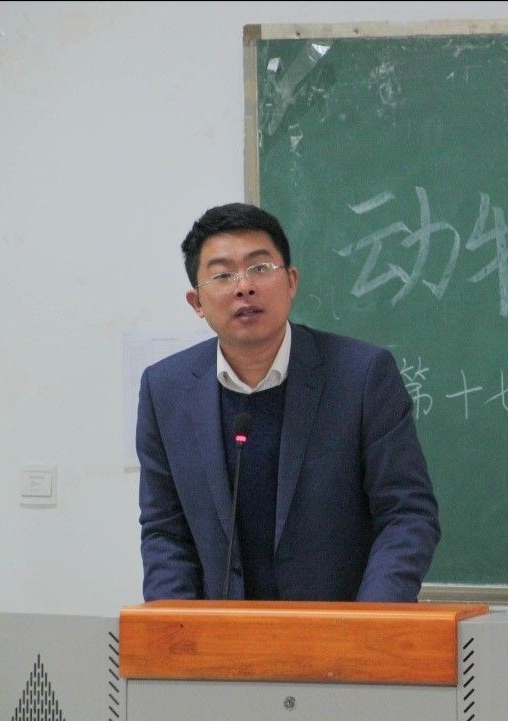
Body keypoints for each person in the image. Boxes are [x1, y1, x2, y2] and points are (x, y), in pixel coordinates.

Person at [137, 202, 440, 602]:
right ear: (197, 302)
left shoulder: (362, 376)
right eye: (223, 275)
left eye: (260, 268)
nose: (244, 287)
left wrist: (370, 621)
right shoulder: (165, 390)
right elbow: (165, 531)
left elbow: (406, 515)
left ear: (291, 281)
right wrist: (176, 628)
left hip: (343, 630)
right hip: (220, 636)